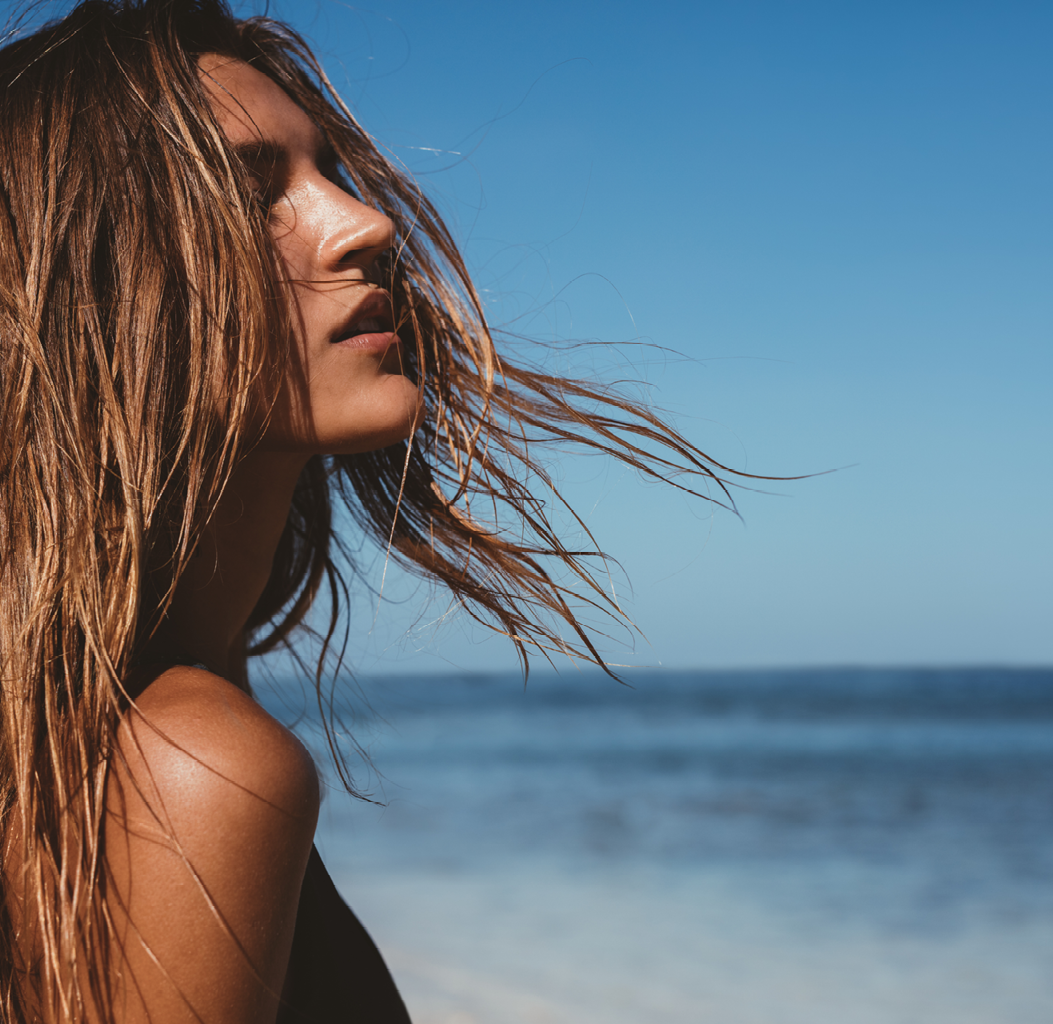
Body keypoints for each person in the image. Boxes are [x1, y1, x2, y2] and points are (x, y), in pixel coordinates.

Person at [0, 1, 735, 1020]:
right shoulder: (194, 764)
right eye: (255, 194)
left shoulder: (97, 728)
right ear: (94, 288)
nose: (366, 224)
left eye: (326, 175)